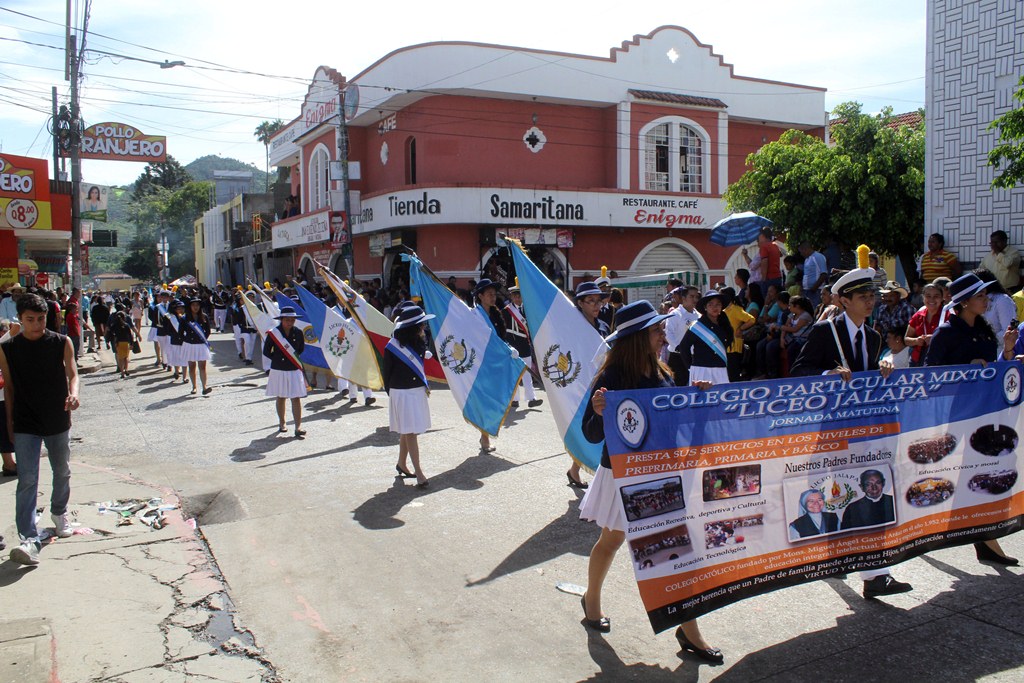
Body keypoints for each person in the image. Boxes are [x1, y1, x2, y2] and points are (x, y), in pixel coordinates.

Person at [580, 300, 722, 662]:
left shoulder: (665, 374)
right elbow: (591, 433)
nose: (664, 334)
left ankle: (689, 631)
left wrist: (696, 401)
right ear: (638, 337)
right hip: (622, 475)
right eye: (657, 329)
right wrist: (598, 412)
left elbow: (676, 427)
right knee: (610, 542)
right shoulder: (610, 378)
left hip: (659, 475)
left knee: (675, 551)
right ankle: (591, 599)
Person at [924, 272, 1019, 567]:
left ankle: (985, 538)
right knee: (958, 477)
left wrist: (1007, 351)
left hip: (984, 414)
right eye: (980, 296)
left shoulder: (985, 329)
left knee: (981, 475)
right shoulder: (946, 334)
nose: (986, 299)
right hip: (957, 416)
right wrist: (965, 368)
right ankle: (931, 530)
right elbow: (930, 377)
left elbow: (993, 370)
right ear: (964, 302)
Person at [0, 293, 80, 565]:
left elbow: (72, 373)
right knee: (27, 479)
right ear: (20, 320)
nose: (36, 324)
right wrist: (10, 425)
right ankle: (28, 537)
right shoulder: (9, 348)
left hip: (57, 418)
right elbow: (9, 389)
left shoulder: (61, 342)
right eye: (30, 320)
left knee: (62, 470)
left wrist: (73, 394)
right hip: (25, 422)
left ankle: (59, 512)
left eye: (41, 319)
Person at [383, 305, 434, 488]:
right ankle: (419, 471)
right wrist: (393, 395)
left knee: (408, 429)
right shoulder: (392, 347)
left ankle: (401, 463)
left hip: (416, 390)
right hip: (401, 392)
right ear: (413, 326)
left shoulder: (420, 342)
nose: (424, 327)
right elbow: (386, 373)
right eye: (421, 324)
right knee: (411, 431)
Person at [263, 306, 307, 438]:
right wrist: (277, 360)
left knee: (296, 397)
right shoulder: (274, 333)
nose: (290, 322)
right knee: (281, 396)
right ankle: (282, 423)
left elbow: (300, 349)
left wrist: (290, 359)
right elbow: (266, 351)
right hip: (278, 369)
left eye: (292, 320)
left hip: (293, 368)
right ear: (281, 320)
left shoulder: (298, 332)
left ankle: (298, 426)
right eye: (287, 320)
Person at [675, 290, 732, 386]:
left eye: (718, 304)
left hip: (720, 369)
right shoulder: (697, 326)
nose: (715, 307)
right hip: (702, 371)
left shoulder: (724, 325)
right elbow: (684, 347)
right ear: (705, 307)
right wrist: (691, 367)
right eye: (711, 304)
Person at [503, 279, 542, 410]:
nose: (518, 298)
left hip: (525, 346)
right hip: (513, 346)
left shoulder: (528, 310)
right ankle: (514, 399)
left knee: (527, 373)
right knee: (514, 374)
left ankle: (532, 398)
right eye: (515, 295)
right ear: (511, 297)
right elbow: (504, 329)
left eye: (519, 295)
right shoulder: (506, 311)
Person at [665, 286, 700, 386]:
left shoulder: (699, 316)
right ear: (683, 298)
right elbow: (668, 333)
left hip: (694, 357)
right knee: (676, 386)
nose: (695, 300)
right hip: (677, 357)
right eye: (691, 296)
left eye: (696, 297)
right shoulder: (675, 314)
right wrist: (678, 348)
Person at [719, 287, 755, 382]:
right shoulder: (724, 310)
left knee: (733, 373)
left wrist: (741, 328)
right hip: (724, 345)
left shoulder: (736, 309)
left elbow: (751, 319)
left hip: (734, 346)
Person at [905, 284, 943, 366]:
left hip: (939, 361)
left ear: (942, 298)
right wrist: (916, 341)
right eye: (928, 296)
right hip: (917, 360)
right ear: (923, 298)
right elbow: (906, 339)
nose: (931, 299)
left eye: (936, 296)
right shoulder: (918, 315)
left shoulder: (948, 315)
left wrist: (934, 339)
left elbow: (956, 340)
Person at [181, 298, 212, 395]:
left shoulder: (204, 317)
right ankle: (194, 387)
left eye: (197, 305)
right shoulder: (185, 318)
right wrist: (187, 340)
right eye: (193, 305)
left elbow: (208, 331)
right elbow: (180, 332)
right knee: (192, 366)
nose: (195, 307)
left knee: (202, 367)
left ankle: (204, 387)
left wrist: (202, 339)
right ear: (190, 307)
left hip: (201, 344)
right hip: (190, 344)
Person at [108, 310, 140, 378]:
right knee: (126, 357)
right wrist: (131, 343)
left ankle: (122, 372)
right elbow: (130, 335)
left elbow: (110, 331)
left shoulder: (114, 325)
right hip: (126, 343)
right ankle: (126, 369)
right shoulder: (126, 325)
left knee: (120, 358)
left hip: (118, 343)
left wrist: (110, 339)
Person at [798, 242, 828, 308]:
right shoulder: (807, 259)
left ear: (805, 249)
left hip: (816, 291)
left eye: (801, 252)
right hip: (807, 291)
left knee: (815, 310)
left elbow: (824, 273)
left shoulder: (818, 256)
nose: (801, 254)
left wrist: (814, 288)